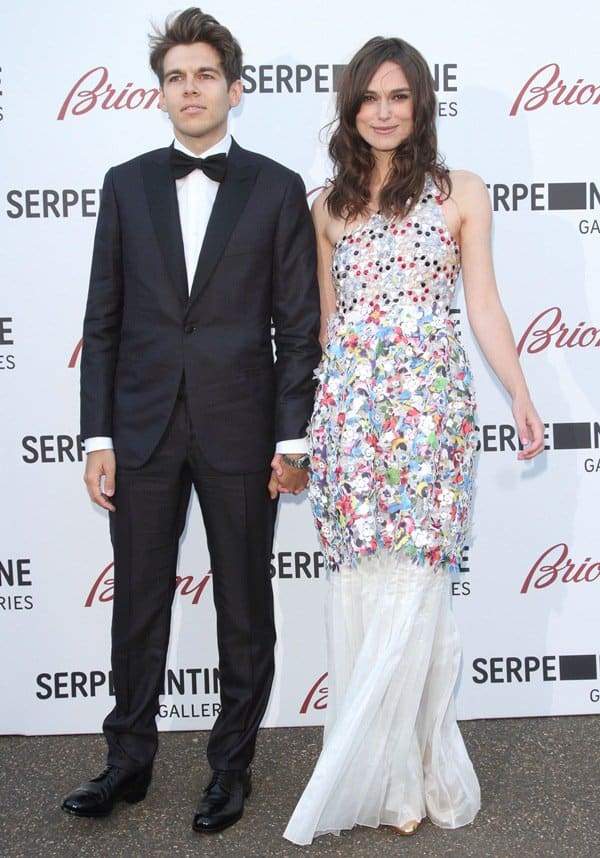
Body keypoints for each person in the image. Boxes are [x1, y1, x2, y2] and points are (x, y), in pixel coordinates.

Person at [61, 7, 320, 834]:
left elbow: (299, 328)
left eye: (206, 74)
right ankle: (127, 763)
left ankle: (230, 767)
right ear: (161, 94)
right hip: (138, 431)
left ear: (234, 90)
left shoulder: (277, 187)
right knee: (137, 603)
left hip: (245, 431)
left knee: (244, 606)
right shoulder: (125, 183)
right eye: (176, 77)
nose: (191, 88)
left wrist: (292, 439)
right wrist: (97, 435)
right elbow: (101, 321)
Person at [284, 36, 544, 845]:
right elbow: (323, 328)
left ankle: (416, 767)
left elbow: (486, 305)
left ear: (421, 103)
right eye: (370, 98)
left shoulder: (461, 191)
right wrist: (303, 436)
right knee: (365, 586)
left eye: (399, 97)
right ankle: (386, 780)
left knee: (419, 593)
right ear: (350, 107)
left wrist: (523, 392)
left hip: (432, 408)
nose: (385, 112)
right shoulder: (325, 207)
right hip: (352, 414)